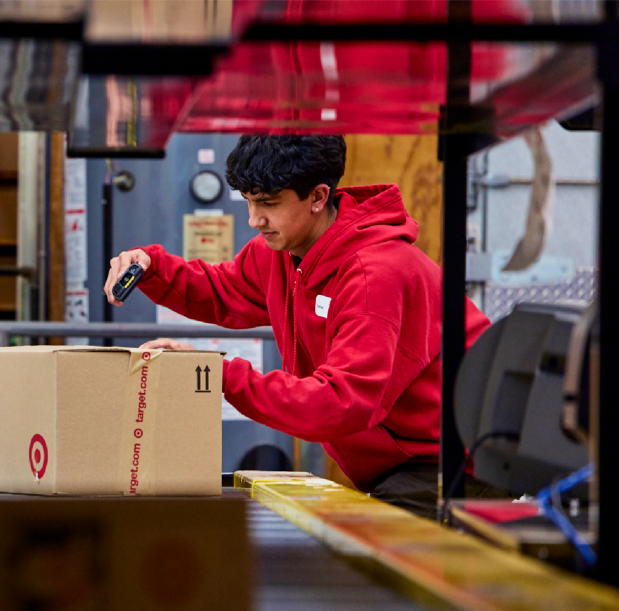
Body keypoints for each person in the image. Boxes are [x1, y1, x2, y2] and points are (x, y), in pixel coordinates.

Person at [103, 134, 497, 517]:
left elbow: (340, 402)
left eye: (269, 204)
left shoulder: (373, 274)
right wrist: (152, 267)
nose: (255, 219)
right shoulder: (282, 251)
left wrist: (219, 374)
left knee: (366, 565)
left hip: (454, 461)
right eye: (248, 202)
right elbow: (224, 291)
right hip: (403, 462)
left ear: (318, 197)